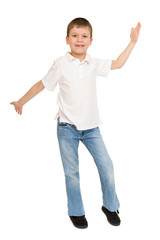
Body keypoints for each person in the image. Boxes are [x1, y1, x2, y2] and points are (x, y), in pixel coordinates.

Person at [10, 17, 141, 229]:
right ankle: (76, 211)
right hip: (66, 128)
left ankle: (110, 206)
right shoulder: (60, 64)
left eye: (84, 36)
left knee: (107, 166)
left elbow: (118, 63)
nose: (79, 40)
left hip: (91, 128)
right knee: (72, 173)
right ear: (67, 39)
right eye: (75, 36)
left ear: (91, 41)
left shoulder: (93, 63)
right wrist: (21, 102)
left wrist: (132, 42)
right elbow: (41, 85)